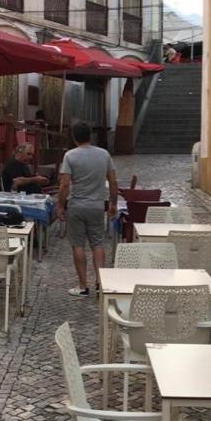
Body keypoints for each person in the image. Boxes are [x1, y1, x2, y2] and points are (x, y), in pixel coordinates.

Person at [57, 121, 118, 296]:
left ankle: (83, 286)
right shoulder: (104, 155)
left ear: (74, 137)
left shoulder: (70, 156)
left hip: (77, 206)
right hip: (97, 206)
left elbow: (65, 184)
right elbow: (113, 182)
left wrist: (60, 204)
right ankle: (100, 282)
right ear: (90, 135)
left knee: (77, 245)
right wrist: (113, 203)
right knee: (97, 243)